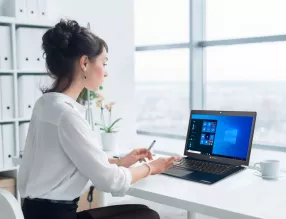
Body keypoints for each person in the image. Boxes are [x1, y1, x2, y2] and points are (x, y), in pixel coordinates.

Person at [18, 19, 180, 219]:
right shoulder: (68, 116)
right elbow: (111, 182)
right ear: (85, 63)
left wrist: (121, 161)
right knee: (148, 217)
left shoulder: (46, 104)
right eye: (103, 63)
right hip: (57, 216)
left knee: (144, 212)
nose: (106, 71)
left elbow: (75, 159)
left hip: (36, 213)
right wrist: (152, 167)